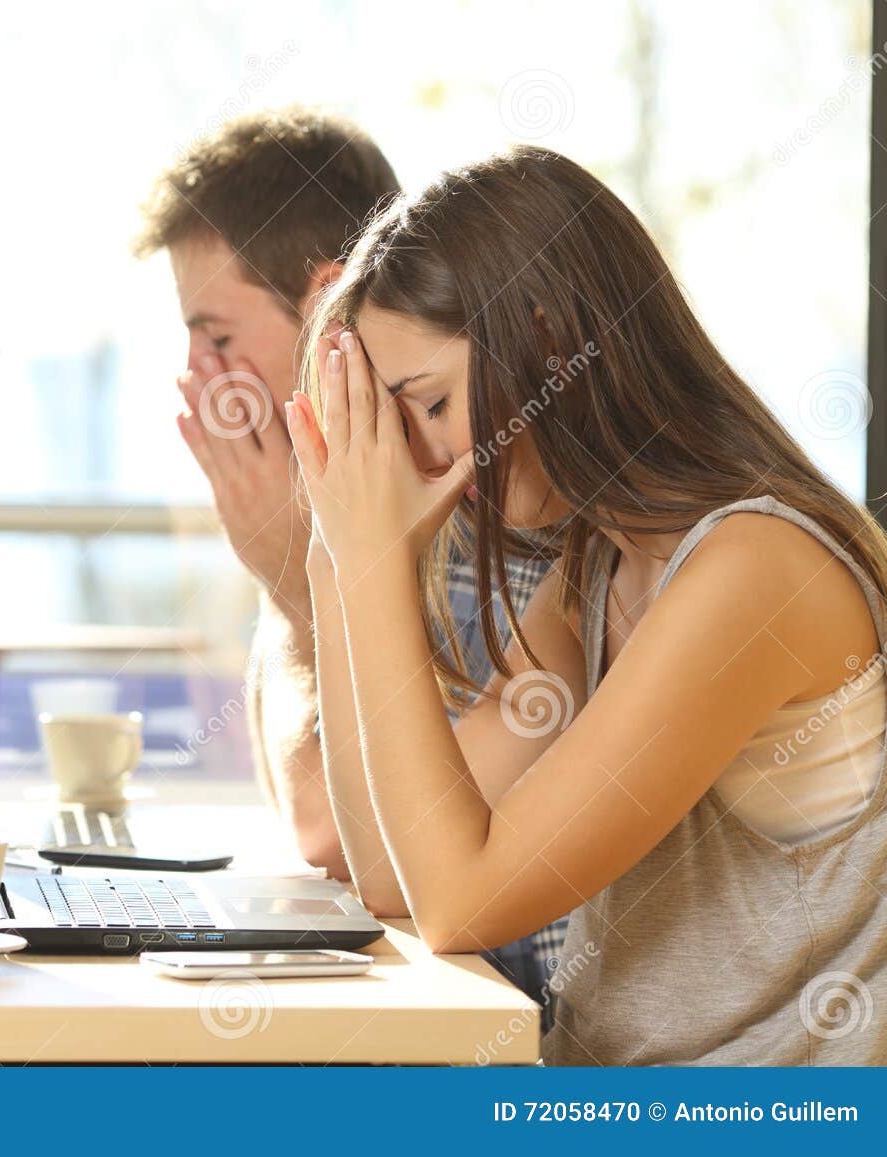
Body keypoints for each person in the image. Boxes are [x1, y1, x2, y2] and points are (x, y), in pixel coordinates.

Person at [285, 143, 887, 1065]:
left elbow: (459, 898)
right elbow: (387, 872)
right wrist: (343, 555)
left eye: (432, 404)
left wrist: (371, 553)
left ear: (550, 341)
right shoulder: (598, 571)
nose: (427, 457)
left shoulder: (755, 568)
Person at [135, 108, 561, 1008]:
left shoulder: (474, 500)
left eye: (216, 335)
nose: (194, 374)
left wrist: (294, 587)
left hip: (515, 1024)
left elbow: (327, 832)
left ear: (328, 298)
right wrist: (295, 566)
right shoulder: (365, 497)